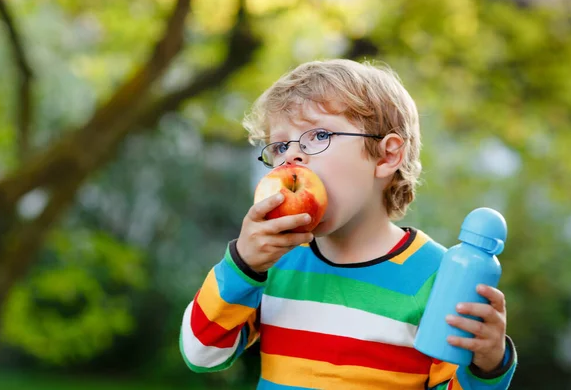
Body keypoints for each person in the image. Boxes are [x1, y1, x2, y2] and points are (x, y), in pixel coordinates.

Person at [179, 59, 517, 389]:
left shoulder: (438, 276)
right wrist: (241, 265)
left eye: (319, 135)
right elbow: (201, 354)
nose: (291, 156)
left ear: (387, 156)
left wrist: (487, 366)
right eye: (280, 145)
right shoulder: (275, 261)